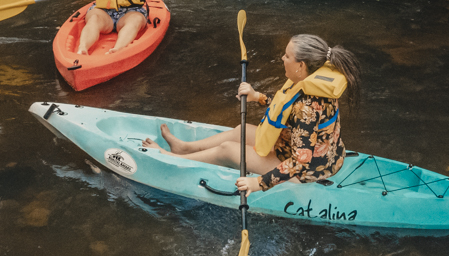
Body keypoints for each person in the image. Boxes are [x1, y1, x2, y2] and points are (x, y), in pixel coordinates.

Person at [145, 33, 360, 195]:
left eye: (287, 56)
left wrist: (258, 183)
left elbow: (299, 163)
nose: (282, 58)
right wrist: (258, 97)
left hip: (308, 173)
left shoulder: (308, 107)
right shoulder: (313, 83)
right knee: (240, 131)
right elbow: (286, 110)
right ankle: (185, 148)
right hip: (316, 155)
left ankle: (171, 158)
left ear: (301, 65)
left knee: (229, 150)